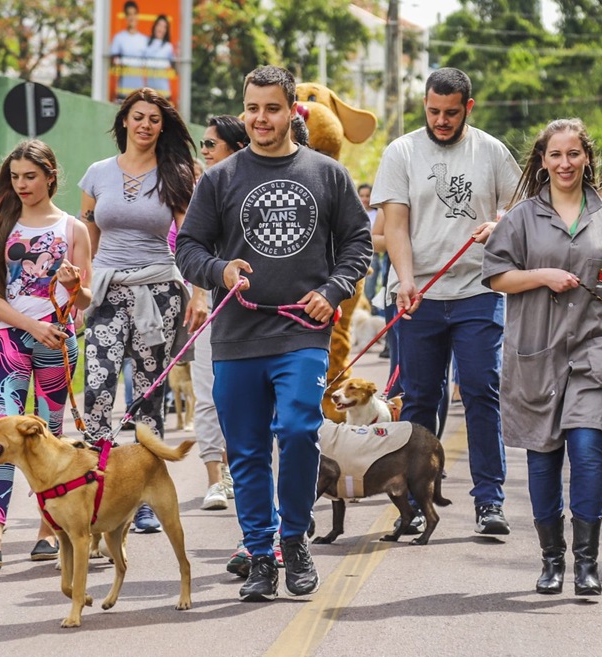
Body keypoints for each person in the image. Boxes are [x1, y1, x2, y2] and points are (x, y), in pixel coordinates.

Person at [175, 65, 371, 602]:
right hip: (237, 336)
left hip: (302, 335)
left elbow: (358, 244)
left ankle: (294, 538)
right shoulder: (219, 178)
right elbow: (188, 248)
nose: (261, 119)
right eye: (252, 108)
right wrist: (221, 272)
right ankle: (260, 553)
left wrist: (332, 292)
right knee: (247, 449)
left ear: (291, 112)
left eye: (272, 108)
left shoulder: (327, 174)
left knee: (300, 429)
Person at [482, 118, 602, 596]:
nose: (565, 163)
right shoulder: (521, 217)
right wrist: (542, 275)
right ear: (543, 161)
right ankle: (551, 560)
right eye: (555, 155)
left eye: (573, 154)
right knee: (543, 459)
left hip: (595, 350)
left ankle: (586, 565)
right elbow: (498, 277)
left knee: (586, 452)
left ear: (587, 158)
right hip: (537, 352)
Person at [370, 67, 521, 536]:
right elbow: (394, 223)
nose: (441, 120)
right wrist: (405, 280)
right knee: (419, 398)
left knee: (480, 390)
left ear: (468, 109)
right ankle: (414, 501)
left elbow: (522, 209)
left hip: (478, 291)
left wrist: (499, 225)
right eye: (433, 111)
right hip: (421, 294)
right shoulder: (402, 151)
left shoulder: (492, 151)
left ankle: (489, 501)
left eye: (451, 113)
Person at [79, 88, 206, 533]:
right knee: (97, 387)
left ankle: (146, 496)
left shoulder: (174, 174)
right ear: (125, 122)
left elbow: (188, 241)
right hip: (108, 292)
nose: (146, 124)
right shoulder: (97, 174)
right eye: (138, 116)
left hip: (159, 293)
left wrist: (198, 292)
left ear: (162, 126)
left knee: (148, 395)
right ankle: (94, 487)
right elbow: (87, 244)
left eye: (154, 118)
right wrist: (80, 293)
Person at [0, 140, 93, 570]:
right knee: (1, 435)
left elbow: (84, 302)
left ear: (50, 177)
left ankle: (48, 530)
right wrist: (31, 326)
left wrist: (74, 285)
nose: (21, 185)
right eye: (15, 177)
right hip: (12, 338)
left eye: (30, 176)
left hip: (59, 346)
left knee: (49, 435)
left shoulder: (73, 229)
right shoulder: (0, 227)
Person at [186, 115, 248, 512]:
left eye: (211, 144)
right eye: (203, 144)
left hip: (257, 309)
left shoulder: (254, 186)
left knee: (247, 398)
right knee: (206, 393)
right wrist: (198, 296)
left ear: (236, 147)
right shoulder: (200, 190)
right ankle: (214, 477)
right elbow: (191, 249)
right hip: (208, 304)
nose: (204, 151)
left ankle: (245, 471)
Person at [110, 1, 148, 101]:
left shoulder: (144, 40)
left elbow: (147, 67)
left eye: (134, 14)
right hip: (122, 92)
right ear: (126, 17)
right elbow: (113, 64)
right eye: (129, 14)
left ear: (137, 16)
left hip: (140, 92)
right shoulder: (118, 38)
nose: (132, 17)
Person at [359, 182, 385, 316]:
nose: (364, 199)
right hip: (358, 255)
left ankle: (371, 314)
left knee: (370, 289)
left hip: (373, 256)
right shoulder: (355, 214)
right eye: (362, 196)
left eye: (367, 195)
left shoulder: (378, 213)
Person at [143, 14, 176, 99]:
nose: (161, 29)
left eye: (164, 27)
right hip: (149, 90)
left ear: (166, 30)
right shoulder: (146, 43)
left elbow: (174, 68)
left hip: (163, 91)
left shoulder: (168, 47)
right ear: (155, 26)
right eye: (159, 25)